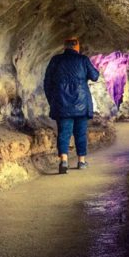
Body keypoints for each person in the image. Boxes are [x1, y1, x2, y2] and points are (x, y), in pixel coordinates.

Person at [43, 38, 100, 174]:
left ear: (65, 46)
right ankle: (81, 161)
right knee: (80, 133)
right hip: (81, 104)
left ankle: (64, 160)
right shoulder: (83, 60)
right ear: (77, 47)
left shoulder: (56, 60)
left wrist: (53, 100)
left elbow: (47, 82)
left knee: (64, 133)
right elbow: (95, 76)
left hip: (62, 104)